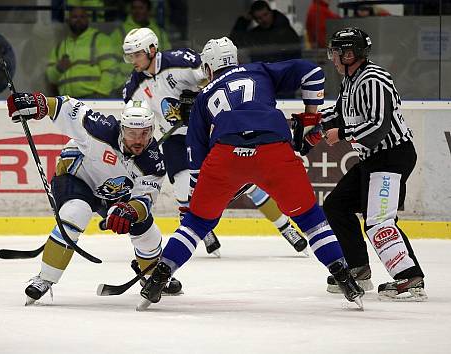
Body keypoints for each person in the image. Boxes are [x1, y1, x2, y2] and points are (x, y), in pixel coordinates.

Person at [138, 37, 365, 310]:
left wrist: (197, 200)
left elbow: (196, 156)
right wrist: (310, 118)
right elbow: (312, 72)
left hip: (225, 154)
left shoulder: (205, 95)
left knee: (195, 225)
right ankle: (344, 277)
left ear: (209, 67)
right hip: (274, 149)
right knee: (311, 219)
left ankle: (159, 278)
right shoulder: (259, 70)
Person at [122, 27, 309, 257]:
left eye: (136, 54)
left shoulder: (180, 61)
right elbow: (135, 116)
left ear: (152, 49)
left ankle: (285, 227)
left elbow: (218, 78)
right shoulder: (133, 86)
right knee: (184, 189)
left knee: (249, 183)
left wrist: (195, 100)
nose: (133, 60)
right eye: (129, 56)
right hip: (174, 140)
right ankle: (204, 231)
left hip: (206, 131)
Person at [6, 92, 182, 304]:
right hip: (75, 179)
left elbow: (145, 199)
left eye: (144, 133)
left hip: (115, 194)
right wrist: (38, 103)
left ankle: (150, 277)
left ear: (152, 130)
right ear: (122, 128)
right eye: (132, 133)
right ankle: (44, 279)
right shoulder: (100, 129)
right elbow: (65, 106)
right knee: (75, 212)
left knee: (148, 233)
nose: (138, 140)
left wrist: (129, 211)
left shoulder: (153, 162)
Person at [319, 28, 427, 301]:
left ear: (350, 54)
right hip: (373, 158)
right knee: (336, 204)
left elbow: (379, 126)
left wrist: (340, 134)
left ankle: (409, 278)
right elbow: (341, 113)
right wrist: (314, 121)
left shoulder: (374, 79)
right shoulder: (351, 80)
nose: (332, 57)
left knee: (378, 220)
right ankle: (358, 268)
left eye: (336, 52)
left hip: (391, 156)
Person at [46, 7, 118, 98]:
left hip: (93, 98)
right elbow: (50, 77)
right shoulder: (61, 46)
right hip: (67, 101)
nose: (78, 20)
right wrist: (59, 68)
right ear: (68, 20)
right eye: (74, 17)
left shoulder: (100, 39)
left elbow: (110, 70)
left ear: (88, 19)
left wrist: (101, 95)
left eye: (82, 17)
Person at [110, 0, 171, 88]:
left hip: (154, 85)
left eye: (141, 8)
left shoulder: (160, 33)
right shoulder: (119, 32)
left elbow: (166, 58)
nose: (137, 11)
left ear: (148, 11)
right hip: (124, 84)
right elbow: (111, 61)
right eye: (134, 8)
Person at [229, 0, 301, 63]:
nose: (264, 20)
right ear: (255, 19)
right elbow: (234, 41)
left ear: (271, 12)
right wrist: (244, 21)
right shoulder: (256, 34)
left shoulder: (284, 29)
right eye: (259, 18)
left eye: (265, 15)